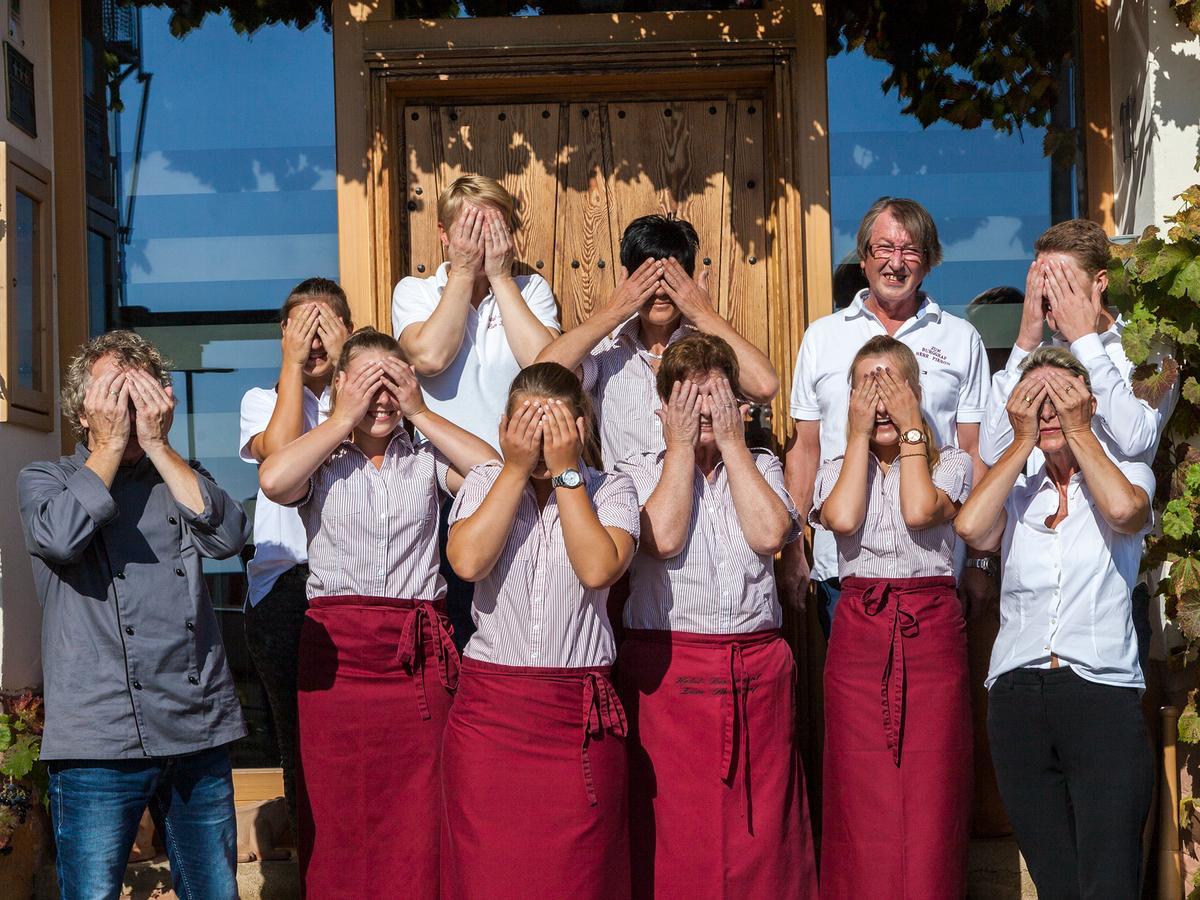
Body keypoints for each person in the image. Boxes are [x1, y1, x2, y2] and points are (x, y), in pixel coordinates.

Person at [258, 327, 496, 899]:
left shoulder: (424, 459)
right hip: (337, 660)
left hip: (417, 657)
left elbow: (490, 472)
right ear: (339, 385)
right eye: (368, 383)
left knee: (422, 813)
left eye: (392, 383)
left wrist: (420, 409)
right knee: (339, 813)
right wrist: (342, 417)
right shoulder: (321, 455)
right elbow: (273, 480)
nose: (380, 398)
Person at [19, 331, 250, 900]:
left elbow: (227, 537)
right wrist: (107, 447)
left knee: (215, 890)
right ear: (82, 410)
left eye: (139, 394)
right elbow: (60, 537)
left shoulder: (181, 474)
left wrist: (160, 447)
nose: (127, 410)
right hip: (99, 735)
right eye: (113, 397)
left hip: (196, 724)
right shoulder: (46, 480)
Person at [614, 334, 819, 899]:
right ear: (662, 408)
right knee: (673, 834)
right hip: (668, 676)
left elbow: (769, 533)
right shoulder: (632, 471)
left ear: (740, 405)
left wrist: (733, 445)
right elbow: (663, 537)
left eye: (717, 398)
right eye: (688, 398)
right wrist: (680, 451)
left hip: (754, 674)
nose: (704, 411)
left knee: (761, 835)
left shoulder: (762, 465)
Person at [956, 346, 1155, 899]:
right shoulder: (1018, 490)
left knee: (1110, 879)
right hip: (1018, 696)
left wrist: (1081, 430)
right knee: (1056, 883)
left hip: (1099, 692)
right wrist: (1020, 442)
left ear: (1088, 404)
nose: (1049, 412)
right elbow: (973, 528)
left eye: (1061, 399)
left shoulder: (1128, 471)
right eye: (1034, 401)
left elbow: (1123, 512)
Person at [441, 363, 640, 900]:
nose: (537, 435)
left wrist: (566, 470)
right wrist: (513, 469)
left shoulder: (612, 488)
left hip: (574, 716)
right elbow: (466, 562)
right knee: (491, 878)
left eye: (550, 425)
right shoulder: (486, 480)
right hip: (491, 719)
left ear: (580, 426)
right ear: (506, 424)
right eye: (526, 422)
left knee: (580, 878)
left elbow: (598, 569)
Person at [810, 336, 973, 898]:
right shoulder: (835, 469)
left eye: (891, 385)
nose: (878, 400)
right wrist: (857, 436)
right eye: (865, 387)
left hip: (930, 634)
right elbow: (843, 515)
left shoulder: (950, 462)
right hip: (860, 632)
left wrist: (911, 431)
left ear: (915, 393)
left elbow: (920, 508)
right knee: (861, 793)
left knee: (932, 793)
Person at [784, 196, 992, 636]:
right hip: (841, 570)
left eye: (910, 250)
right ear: (863, 258)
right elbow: (805, 449)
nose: (896, 263)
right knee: (852, 700)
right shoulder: (822, 337)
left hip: (934, 569)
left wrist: (978, 557)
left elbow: (973, 452)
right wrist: (791, 549)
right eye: (884, 249)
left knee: (932, 700)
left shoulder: (960, 338)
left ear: (928, 261)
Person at [392, 174, 560, 647]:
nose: (483, 241)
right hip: (445, 486)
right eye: (469, 229)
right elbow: (429, 358)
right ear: (444, 236)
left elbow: (542, 363)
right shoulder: (415, 292)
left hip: (526, 480)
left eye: (494, 228)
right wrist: (464, 273)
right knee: (459, 621)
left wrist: (502, 278)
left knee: (525, 620)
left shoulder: (530, 289)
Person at [535, 214, 779, 469]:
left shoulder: (712, 350)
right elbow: (541, 373)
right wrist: (614, 311)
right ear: (627, 278)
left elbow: (764, 386)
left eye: (671, 279)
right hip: (626, 504)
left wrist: (703, 314)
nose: (660, 291)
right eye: (649, 279)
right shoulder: (605, 353)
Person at [238, 277, 350, 828]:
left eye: (323, 327)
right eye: (300, 328)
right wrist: (291, 365)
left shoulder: (367, 401)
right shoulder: (262, 400)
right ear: (283, 334)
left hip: (352, 584)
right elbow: (280, 455)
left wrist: (348, 360)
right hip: (285, 586)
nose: (313, 341)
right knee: (298, 740)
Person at [979, 218, 1176, 471]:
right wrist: (1026, 342)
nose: (1049, 292)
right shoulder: (1040, 355)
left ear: (1100, 282)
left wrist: (1085, 343)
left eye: (1062, 280)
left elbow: (1136, 440)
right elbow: (993, 450)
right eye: (1042, 279)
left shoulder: (1150, 348)